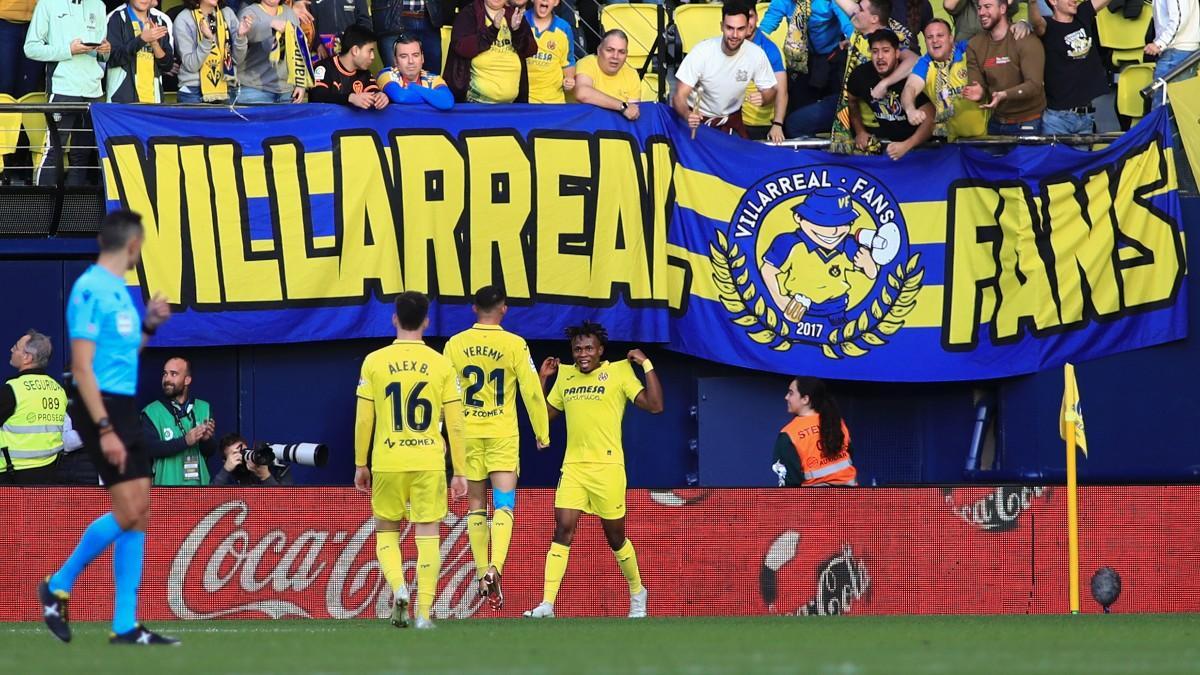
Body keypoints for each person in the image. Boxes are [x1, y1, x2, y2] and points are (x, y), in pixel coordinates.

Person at [39, 209, 177, 646]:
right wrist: (104, 427)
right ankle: (57, 584)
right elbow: (81, 366)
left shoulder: (120, 291)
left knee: (141, 512)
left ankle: (124, 624)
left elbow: (123, 354)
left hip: (122, 404)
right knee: (127, 511)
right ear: (132, 245)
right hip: (99, 408)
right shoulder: (89, 289)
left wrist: (151, 325)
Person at [524, 321, 663, 620]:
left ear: (601, 350)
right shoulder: (566, 376)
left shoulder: (618, 372)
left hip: (608, 468)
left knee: (615, 538)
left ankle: (638, 591)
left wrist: (646, 364)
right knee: (562, 529)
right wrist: (542, 379)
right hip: (573, 466)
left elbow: (655, 405)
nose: (583, 354)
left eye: (588, 348)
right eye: (577, 349)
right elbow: (544, 417)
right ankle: (547, 603)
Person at [354, 291, 467, 630]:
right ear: (427, 321)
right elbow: (457, 422)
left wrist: (361, 463)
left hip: (388, 459)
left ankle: (399, 587)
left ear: (394, 318)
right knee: (428, 535)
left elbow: (364, 419)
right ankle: (423, 614)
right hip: (429, 460)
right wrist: (459, 470)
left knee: (386, 532)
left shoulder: (374, 361)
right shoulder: (442, 363)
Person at [444, 286, 550, 610]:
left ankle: (480, 572)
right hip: (502, 434)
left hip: (468, 435)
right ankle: (495, 568)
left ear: (474, 308)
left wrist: (443, 434)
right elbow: (532, 391)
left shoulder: (455, 344)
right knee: (504, 505)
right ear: (504, 309)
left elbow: (444, 392)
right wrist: (541, 431)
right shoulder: (514, 344)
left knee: (475, 505)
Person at [24, 0, 109, 186]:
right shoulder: (48, 4)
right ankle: (41, 208)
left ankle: (72, 209)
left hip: (93, 88)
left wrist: (105, 51)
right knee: (54, 149)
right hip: (63, 86)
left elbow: (102, 54)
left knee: (83, 152)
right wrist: (68, 50)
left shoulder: (99, 5)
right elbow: (30, 48)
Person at [673, 0, 778, 139]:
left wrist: (765, 98)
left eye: (740, 29)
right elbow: (679, 96)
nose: (734, 35)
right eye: (729, 28)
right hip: (697, 119)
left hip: (731, 119)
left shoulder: (756, 54)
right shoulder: (702, 52)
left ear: (748, 28)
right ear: (721, 26)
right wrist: (687, 115)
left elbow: (772, 90)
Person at [827, 0, 919, 153]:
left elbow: (915, 60)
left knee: (796, 124)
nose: (855, 11)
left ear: (874, 19)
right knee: (798, 123)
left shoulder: (890, 39)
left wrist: (885, 84)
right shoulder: (859, 32)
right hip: (849, 105)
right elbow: (848, 5)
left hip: (882, 117)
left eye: (860, 9)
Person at [758, 0, 854, 138]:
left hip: (834, 56)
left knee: (842, 112)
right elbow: (764, 31)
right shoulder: (782, 1)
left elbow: (849, 26)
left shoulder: (829, 2)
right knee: (793, 120)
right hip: (802, 61)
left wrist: (850, 39)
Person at [847, 29, 935, 158]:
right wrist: (860, 131)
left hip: (923, 146)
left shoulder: (911, 78)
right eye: (875, 51)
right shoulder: (861, 75)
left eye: (886, 51)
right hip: (889, 141)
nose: (880, 56)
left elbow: (931, 118)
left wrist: (907, 145)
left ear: (897, 53)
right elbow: (851, 101)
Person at [963, 0, 1046, 135]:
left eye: (987, 7)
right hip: (996, 123)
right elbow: (979, 85)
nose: (981, 12)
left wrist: (1004, 95)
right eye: (979, 8)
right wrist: (979, 92)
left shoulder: (1024, 38)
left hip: (1028, 123)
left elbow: (1034, 86)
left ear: (1002, 8)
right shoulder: (974, 45)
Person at [1028, 0, 1109, 135]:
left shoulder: (1082, 14)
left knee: (1083, 155)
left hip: (1085, 117)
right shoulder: (1048, 25)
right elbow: (1036, 23)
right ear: (1053, 1)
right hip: (1057, 119)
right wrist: (1032, 3)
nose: (1074, 0)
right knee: (1056, 157)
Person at [902, 18, 987, 140]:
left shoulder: (967, 50)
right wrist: (910, 110)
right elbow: (910, 88)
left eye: (940, 35)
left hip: (988, 137)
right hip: (954, 142)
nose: (935, 40)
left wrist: (1020, 25)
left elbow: (994, 40)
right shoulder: (925, 63)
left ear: (951, 38)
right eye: (929, 37)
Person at [0, 330, 67, 485]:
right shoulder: (58, 390)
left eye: (16, 347)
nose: (11, 350)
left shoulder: (13, 390)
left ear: (27, 357)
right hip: (48, 475)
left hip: (11, 478)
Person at [140, 356, 218, 487]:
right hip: (165, 491)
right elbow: (149, 449)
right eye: (165, 374)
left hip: (199, 491)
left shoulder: (204, 408)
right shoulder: (151, 412)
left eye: (173, 374)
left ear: (187, 380)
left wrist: (206, 440)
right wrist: (185, 441)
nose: (167, 379)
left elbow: (209, 452)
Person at [445, 0, 538, 103]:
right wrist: (492, 31)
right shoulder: (469, 14)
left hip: (511, 106)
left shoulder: (513, 14)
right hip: (475, 104)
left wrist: (517, 31)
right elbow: (461, 47)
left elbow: (531, 50)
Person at [771, 376, 857, 486]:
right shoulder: (837, 422)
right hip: (852, 498)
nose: (786, 397)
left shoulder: (789, 434)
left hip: (815, 501)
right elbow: (850, 455)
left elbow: (790, 483)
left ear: (805, 399)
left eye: (791, 393)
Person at [174, 0, 251, 104]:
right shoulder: (183, 19)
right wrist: (207, 40)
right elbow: (191, 65)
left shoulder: (227, 13)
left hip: (227, 87)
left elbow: (237, 60)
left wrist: (241, 37)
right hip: (194, 90)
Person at [237, 0, 312, 103]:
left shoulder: (289, 12)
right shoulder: (249, 11)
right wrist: (270, 24)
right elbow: (248, 33)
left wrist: (300, 84)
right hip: (254, 88)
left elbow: (299, 49)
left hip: (286, 89)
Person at [105, 0, 176, 102]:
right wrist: (142, 39)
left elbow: (168, 65)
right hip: (123, 100)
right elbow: (113, 58)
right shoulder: (117, 18)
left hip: (153, 99)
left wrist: (155, 44)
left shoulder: (160, 21)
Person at [308, 25, 388, 108]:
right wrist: (350, 98)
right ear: (355, 50)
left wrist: (381, 97)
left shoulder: (364, 73)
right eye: (370, 51)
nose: (372, 57)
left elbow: (373, 92)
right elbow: (317, 96)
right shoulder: (324, 67)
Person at [744, 4, 789, 141]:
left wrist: (777, 124)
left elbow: (782, 91)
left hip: (758, 125)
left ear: (757, 17)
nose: (745, 23)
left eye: (750, 16)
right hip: (729, 119)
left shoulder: (770, 49)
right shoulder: (724, 45)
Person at [573, 30, 641, 119]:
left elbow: (632, 113)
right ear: (599, 51)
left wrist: (625, 108)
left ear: (626, 55)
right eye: (609, 50)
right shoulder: (587, 63)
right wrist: (622, 106)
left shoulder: (631, 74)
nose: (615, 56)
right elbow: (582, 93)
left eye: (621, 52)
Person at [377, 34, 455, 109]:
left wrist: (413, 86)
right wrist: (434, 99)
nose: (411, 61)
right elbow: (401, 97)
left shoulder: (434, 79)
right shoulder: (385, 74)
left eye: (415, 55)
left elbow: (447, 102)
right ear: (395, 61)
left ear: (422, 58)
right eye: (404, 56)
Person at [1146, 0, 1199, 109]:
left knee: (1163, 106)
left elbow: (1179, 18)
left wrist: (1159, 44)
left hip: (1176, 51)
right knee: (1179, 109)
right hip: (1181, 49)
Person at [524, 0, 575, 104]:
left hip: (553, 102)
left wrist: (569, 79)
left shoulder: (564, 28)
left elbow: (568, 62)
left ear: (556, 2)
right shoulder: (520, 20)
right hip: (523, 101)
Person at [211, 434, 284, 485]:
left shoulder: (270, 467)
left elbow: (283, 503)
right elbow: (208, 500)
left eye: (243, 451)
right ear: (225, 461)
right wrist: (225, 470)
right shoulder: (227, 478)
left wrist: (265, 476)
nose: (241, 456)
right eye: (235, 455)